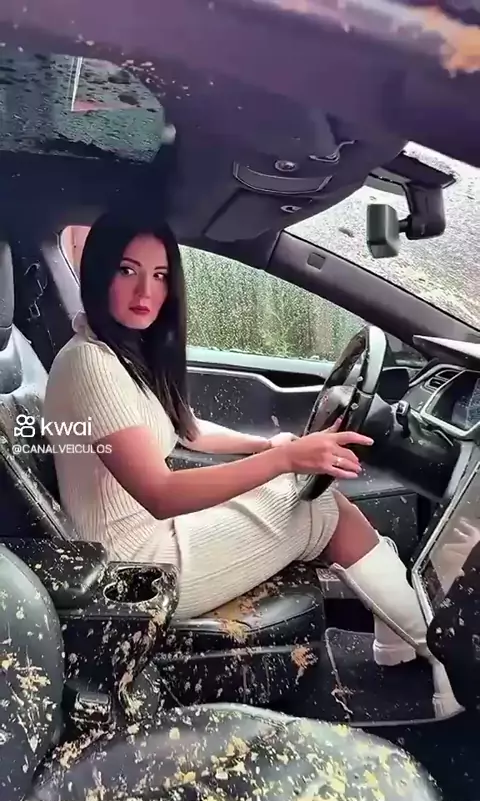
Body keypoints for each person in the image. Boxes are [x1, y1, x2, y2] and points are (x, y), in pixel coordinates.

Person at [44, 212, 427, 667]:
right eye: (127, 271)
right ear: (97, 272)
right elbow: (161, 495)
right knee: (319, 505)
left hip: (149, 543)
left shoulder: (118, 352)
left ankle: (401, 641)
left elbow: (190, 430)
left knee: (306, 495)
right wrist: (286, 460)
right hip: (138, 569)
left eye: (160, 275)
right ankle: (441, 656)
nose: (146, 292)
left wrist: (267, 446)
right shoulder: (89, 365)